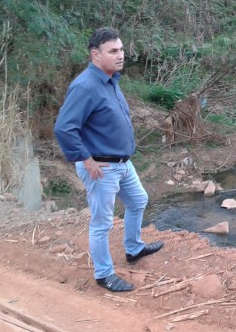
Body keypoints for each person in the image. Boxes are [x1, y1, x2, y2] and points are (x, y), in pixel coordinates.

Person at [54, 27, 163, 292]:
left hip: (123, 164)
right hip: (101, 168)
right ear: (95, 54)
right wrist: (86, 160)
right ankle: (104, 274)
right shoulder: (85, 86)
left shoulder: (111, 80)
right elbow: (64, 128)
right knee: (102, 222)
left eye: (122, 49)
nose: (121, 55)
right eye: (113, 51)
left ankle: (134, 249)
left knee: (139, 200)